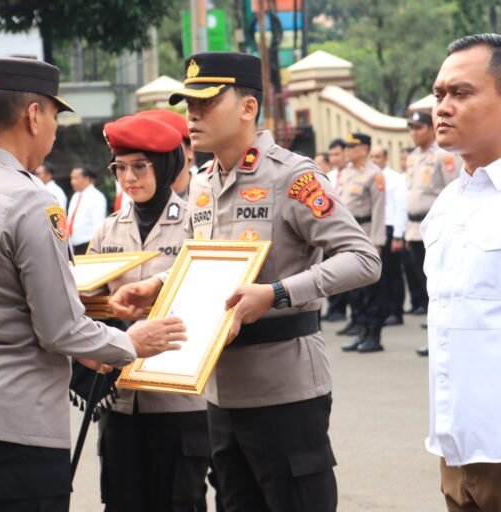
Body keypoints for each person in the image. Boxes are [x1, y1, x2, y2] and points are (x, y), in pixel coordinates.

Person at [109, 52, 381, 511]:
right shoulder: (201, 182)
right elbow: (204, 264)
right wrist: (157, 285)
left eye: (206, 102)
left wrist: (277, 293)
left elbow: (363, 258)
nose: (192, 115)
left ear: (248, 107)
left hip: (284, 386)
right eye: (188, 105)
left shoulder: (293, 177)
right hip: (218, 388)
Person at [0, 57, 187, 512]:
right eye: (53, 115)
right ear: (33, 115)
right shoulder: (30, 200)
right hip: (17, 422)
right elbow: (59, 328)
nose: (53, 130)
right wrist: (130, 341)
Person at [88, 114, 210, 511]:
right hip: (120, 397)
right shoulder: (108, 229)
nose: (128, 177)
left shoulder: (197, 223)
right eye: (119, 167)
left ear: (166, 165)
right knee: (123, 501)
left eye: (140, 166)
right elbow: (87, 305)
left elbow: (210, 292)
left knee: (178, 502)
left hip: (178, 398)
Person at [423, 33, 501, 510]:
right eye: (439, 94)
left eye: (461, 93)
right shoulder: (447, 203)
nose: (442, 106)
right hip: (456, 447)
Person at [405, 110, 460, 356]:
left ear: (430, 128)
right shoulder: (413, 157)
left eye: (418, 128)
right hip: (415, 229)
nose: (414, 133)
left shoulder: (443, 156)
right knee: (424, 285)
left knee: (439, 287)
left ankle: (447, 336)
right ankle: (436, 337)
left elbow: (454, 189)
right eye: (411, 128)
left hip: (436, 228)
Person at [336, 132, 387, 353]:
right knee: (354, 288)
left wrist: (376, 242)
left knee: (371, 290)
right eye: (346, 146)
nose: (347, 150)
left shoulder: (374, 175)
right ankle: (360, 330)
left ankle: (373, 334)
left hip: (365, 232)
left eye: (352, 147)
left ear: (364, 149)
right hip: (347, 233)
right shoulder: (346, 172)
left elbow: (378, 210)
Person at [369, 145, 408, 326]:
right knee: (379, 274)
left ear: (385, 158)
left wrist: (398, 235)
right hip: (376, 228)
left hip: (392, 228)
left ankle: (396, 311)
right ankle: (383, 310)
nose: (375, 160)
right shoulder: (370, 177)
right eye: (372, 157)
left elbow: (400, 207)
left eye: (378, 157)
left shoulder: (395, 178)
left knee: (393, 274)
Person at [137, 108, 195, 200]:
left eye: (166, 146)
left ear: (190, 151)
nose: (157, 158)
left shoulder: (211, 193)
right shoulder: (130, 200)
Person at [323, 138, 349, 322]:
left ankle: (342, 311)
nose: (334, 158)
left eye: (337, 154)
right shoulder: (328, 176)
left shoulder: (353, 174)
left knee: (346, 272)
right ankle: (334, 309)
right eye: (331, 154)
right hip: (330, 229)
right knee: (330, 271)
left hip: (347, 228)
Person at [67, 164, 107, 254]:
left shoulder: (96, 197)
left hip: (87, 244)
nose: (72, 182)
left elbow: (98, 225)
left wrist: (94, 248)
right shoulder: (75, 196)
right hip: (72, 244)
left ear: (87, 179)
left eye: (76, 178)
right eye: (71, 178)